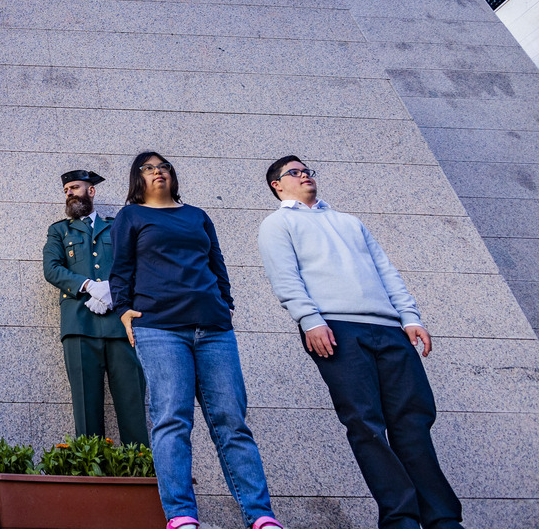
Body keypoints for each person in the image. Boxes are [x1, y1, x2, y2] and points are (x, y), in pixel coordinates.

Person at [258, 156, 465, 529]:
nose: (305, 176)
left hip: (389, 330)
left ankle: (443, 519)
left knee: (413, 422)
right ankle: (401, 518)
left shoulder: (348, 222)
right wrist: (309, 319)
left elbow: (386, 270)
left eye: (308, 171)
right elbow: (284, 278)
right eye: (295, 172)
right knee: (366, 425)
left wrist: (411, 317)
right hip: (336, 329)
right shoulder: (278, 224)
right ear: (277, 185)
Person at [109, 152, 284, 529]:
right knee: (172, 419)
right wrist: (124, 310)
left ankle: (260, 516)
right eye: (149, 168)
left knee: (231, 422)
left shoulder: (197, 216)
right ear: (138, 179)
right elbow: (120, 268)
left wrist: (226, 304)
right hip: (159, 327)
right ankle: (182, 515)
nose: (158, 172)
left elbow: (216, 263)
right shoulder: (131, 216)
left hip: (214, 329)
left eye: (164, 167)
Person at [42, 169, 148, 445]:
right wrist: (89, 285)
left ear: (91, 191)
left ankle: (139, 473)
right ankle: (91, 475)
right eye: (66, 190)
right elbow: (52, 269)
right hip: (79, 325)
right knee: (86, 407)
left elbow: (136, 264)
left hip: (121, 324)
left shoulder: (116, 226)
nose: (69, 194)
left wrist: (114, 290)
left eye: (75, 188)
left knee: (132, 401)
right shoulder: (59, 231)